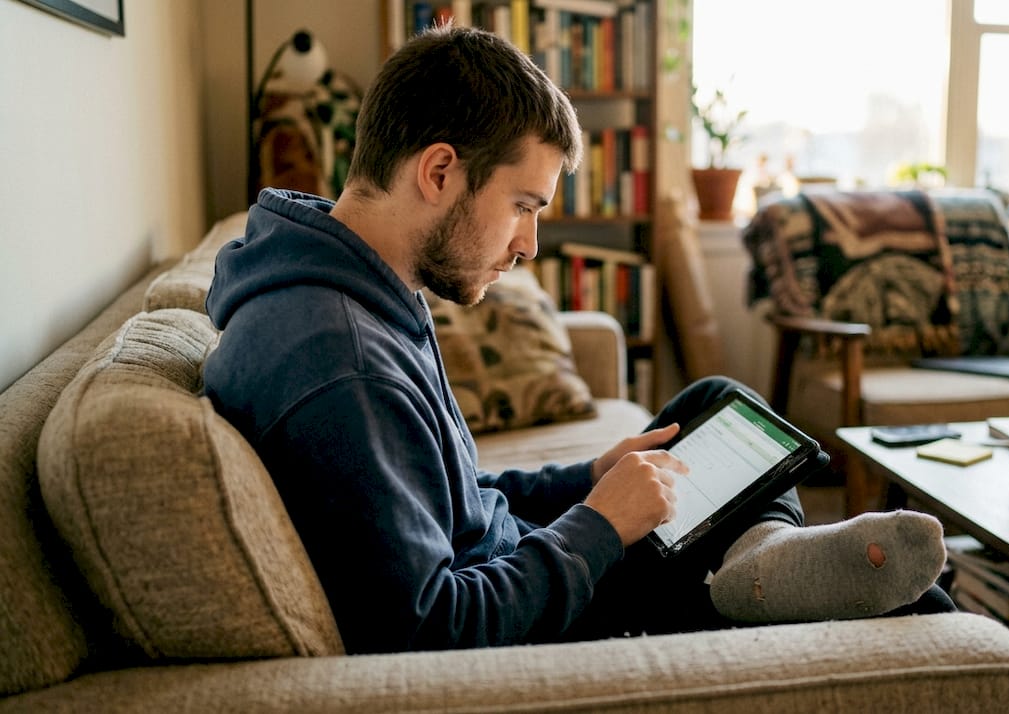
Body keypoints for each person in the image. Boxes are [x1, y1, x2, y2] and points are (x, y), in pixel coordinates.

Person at [203, 24, 952, 654]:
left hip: (523, 559)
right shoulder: (346, 366)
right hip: (546, 614)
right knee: (918, 603)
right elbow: (434, 628)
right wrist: (599, 525)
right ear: (438, 170)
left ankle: (760, 558)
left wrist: (587, 476)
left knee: (711, 407)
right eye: (523, 204)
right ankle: (768, 580)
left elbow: (445, 498)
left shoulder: (353, 286)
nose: (529, 244)